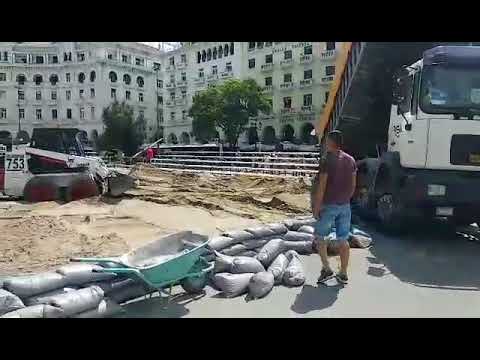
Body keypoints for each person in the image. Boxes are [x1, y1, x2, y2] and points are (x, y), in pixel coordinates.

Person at [312, 130, 356, 284]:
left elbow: (321, 187)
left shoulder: (327, 160)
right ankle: (343, 273)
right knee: (343, 239)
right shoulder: (350, 160)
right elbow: (353, 186)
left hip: (329, 205)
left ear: (330, 143)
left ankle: (326, 269)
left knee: (320, 237)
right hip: (345, 205)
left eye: (326, 141)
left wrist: (317, 207)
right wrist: (345, 199)